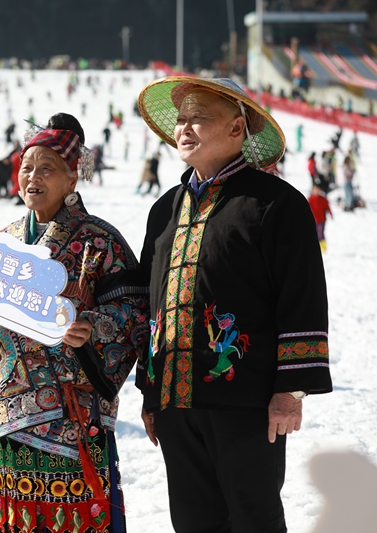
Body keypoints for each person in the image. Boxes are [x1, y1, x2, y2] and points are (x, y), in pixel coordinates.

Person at [137, 76, 333, 533]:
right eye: (181, 120)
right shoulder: (163, 209)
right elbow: (148, 302)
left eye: (199, 118)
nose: (184, 128)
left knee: (253, 519)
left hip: (247, 400)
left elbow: (302, 300)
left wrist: (292, 389)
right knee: (192, 521)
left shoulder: (277, 205)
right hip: (173, 399)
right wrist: (149, 390)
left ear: (237, 128)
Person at [0, 113, 149, 533]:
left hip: (72, 417)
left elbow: (136, 314)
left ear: (72, 179)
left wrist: (92, 326)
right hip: (5, 414)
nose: (32, 176)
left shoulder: (100, 241)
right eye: (27, 167)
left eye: (47, 168)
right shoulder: (1, 241)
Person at [308, 184, 333, 253]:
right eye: (315, 190)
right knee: (314, 233)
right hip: (313, 219)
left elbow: (327, 207)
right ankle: (315, 247)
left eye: (318, 190)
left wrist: (330, 214)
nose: (317, 191)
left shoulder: (323, 199)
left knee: (320, 233)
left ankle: (323, 248)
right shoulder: (310, 199)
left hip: (322, 219)